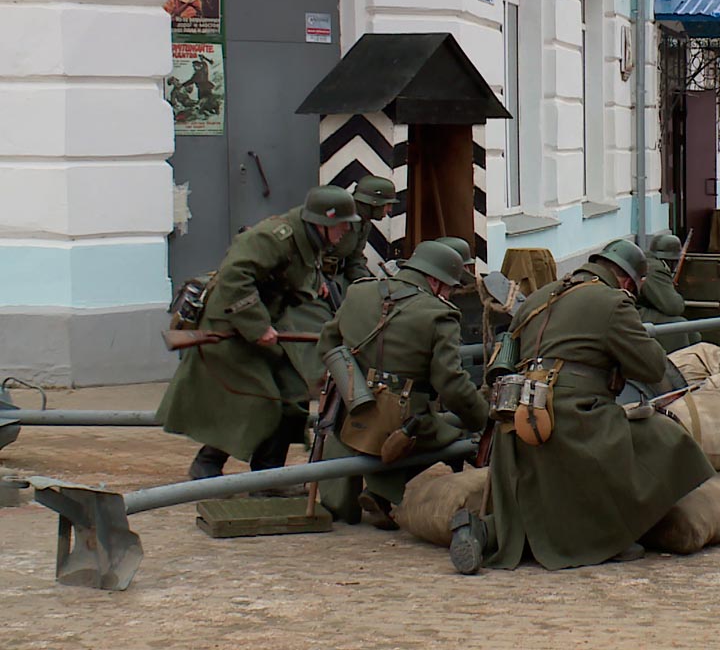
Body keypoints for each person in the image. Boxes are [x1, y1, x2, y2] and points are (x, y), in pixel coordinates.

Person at [449, 239, 715, 574]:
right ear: (628, 282)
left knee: (536, 501)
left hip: (515, 421)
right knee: (665, 441)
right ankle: (614, 536)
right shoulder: (613, 301)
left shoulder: (537, 297)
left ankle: (481, 532)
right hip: (571, 418)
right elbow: (652, 368)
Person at [157, 186, 360, 481]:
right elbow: (234, 277)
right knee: (259, 397)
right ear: (323, 222)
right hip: (230, 325)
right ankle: (209, 464)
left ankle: (268, 476)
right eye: (342, 224)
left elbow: (293, 270)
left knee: (292, 395)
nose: (345, 230)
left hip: (262, 322)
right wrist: (257, 326)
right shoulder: (275, 237)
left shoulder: (308, 239)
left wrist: (315, 285)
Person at [315, 241, 488, 529]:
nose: (450, 294)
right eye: (449, 287)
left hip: (351, 410)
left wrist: (352, 384)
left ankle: (349, 500)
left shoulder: (359, 292)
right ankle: (381, 493)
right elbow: (452, 384)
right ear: (434, 281)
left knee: (355, 432)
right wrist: (481, 419)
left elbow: (327, 344)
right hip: (404, 424)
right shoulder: (439, 315)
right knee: (456, 435)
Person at [329, 174, 398, 287]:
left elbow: (355, 260)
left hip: (335, 279)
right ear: (374, 202)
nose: (389, 209)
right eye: (388, 204)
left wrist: (369, 285)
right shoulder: (338, 217)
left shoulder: (365, 224)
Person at [636, 233, 700, 352]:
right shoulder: (656, 269)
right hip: (634, 311)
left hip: (635, 308)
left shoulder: (649, 262)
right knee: (677, 325)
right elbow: (673, 306)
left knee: (690, 330)